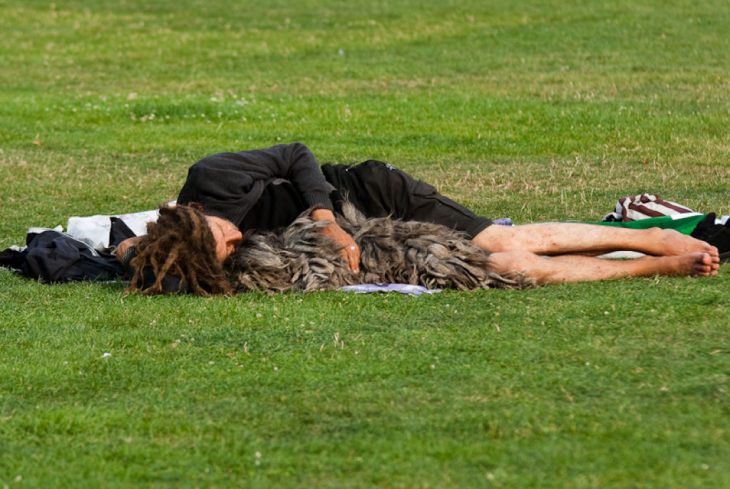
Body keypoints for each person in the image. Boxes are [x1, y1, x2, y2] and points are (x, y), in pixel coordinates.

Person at [117, 143, 720, 295]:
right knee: (504, 266)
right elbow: (133, 256)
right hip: (366, 240)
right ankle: (657, 267)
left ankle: (653, 234)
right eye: (227, 254)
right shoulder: (202, 254)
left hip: (369, 194)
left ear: (200, 219)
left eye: (226, 239)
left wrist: (325, 218)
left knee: (499, 238)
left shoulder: (209, 179)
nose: (237, 243)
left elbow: (295, 155)